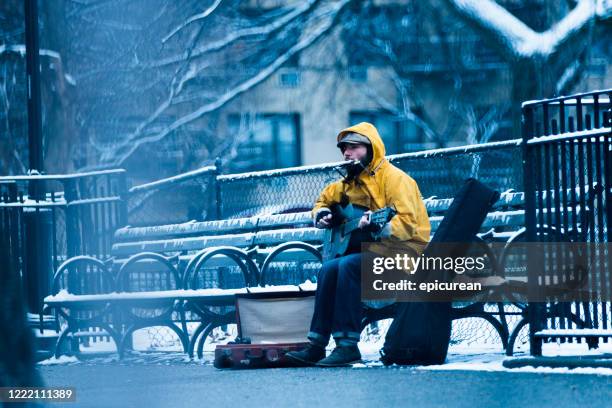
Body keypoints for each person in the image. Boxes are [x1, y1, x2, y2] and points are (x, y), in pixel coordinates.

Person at [286, 122, 431, 367]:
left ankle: (347, 346)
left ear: (371, 149)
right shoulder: (348, 184)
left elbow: (411, 225)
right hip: (373, 255)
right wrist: (321, 213)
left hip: (406, 254)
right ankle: (317, 344)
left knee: (349, 265)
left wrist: (379, 225)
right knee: (329, 268)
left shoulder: (396, 180)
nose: (347, 153)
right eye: (344, 148)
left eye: (354, 147)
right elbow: (324, 198)